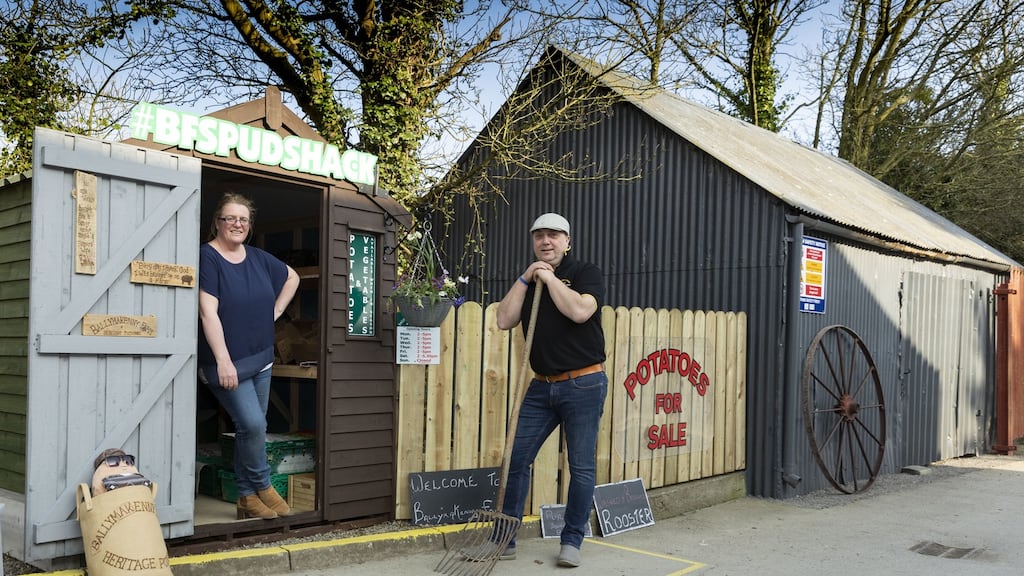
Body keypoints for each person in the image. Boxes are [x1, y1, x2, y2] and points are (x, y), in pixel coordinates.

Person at [472, 212, 608, 568]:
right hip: (541, 386)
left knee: (580, 467)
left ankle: (572, 541)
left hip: (584, 382)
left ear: (567, 241)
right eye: (539, 236)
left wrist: (549, 280)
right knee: (515, 460)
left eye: (553, 235)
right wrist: (525, 277)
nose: (545, 241)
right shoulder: (529, 281)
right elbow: (503, 320)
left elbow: (579, 312)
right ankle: (504, 540)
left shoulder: (585, 273)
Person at [197, 193, 300, 520]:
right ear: (218, 222)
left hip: (262, 358)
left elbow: (293, 277)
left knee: (251, 427)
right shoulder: (207, 258)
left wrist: (276, 311)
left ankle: (246, 498)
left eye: (243, 219)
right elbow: (207, 314)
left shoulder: (257, 257)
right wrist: (223, 361)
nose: (237, 224)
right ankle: (262, 484)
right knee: (253, 424)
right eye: (230, 218)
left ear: (249, 225)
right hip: (225, 363)